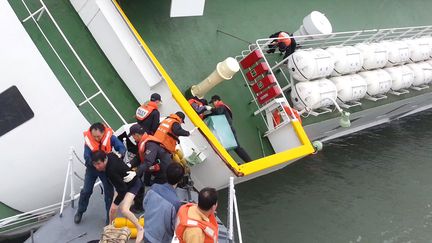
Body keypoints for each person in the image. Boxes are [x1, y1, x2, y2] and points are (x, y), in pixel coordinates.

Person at [75, 122, 126, 224]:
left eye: (98, 136)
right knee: (86, 191)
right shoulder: (89, 141)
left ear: (103, 133)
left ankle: (109, 217)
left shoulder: (110, 138)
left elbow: (120, 147)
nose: (96, 139)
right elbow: (86, 156)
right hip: (92, 169)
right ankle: (80, 211)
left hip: (105, 170)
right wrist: (95, 164)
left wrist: (120, 154)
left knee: (109, 194)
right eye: (94, 136)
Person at [92, 150, 144, 243]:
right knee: (112, 210)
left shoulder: (110, 171)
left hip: (132, 184)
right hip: (121, 183)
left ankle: (140, 228)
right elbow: (116, 156)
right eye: (94, 164)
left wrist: (116, 203)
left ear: (104, 160)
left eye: (98, 164)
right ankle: (111, 229)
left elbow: (123, 190)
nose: (96, 167)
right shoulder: (109, 155)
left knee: (124, 209)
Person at [127, 124, 174, 212]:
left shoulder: (150, 144)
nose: (133, 139)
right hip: (156, 167)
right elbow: (138, 157)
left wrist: (136, 172)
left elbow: (148, 162)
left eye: (133, 136)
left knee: (156, 190)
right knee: (146, 183)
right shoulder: (143, 141)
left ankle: (157, 209)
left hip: (164, 170)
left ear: (136, 135)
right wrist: (129, 164)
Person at [142, 163, 185, 243]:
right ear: (180, 180)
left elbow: (144, 205)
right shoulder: (175, 202)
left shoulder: (154, 187)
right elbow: (174, 226)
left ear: (166, 174)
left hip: (146, 231)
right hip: (160, 240)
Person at [210, 95, 252, 162]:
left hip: (229, 131)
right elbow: (214, 114)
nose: (213, 104)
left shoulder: (222, 107)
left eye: (213, 102)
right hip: (227, 131)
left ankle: (248, 161)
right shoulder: (221, 108)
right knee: (233, 148)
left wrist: (210, 109)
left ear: (217, 100)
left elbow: (218, 112)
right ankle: (239, 162)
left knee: (235, 147)